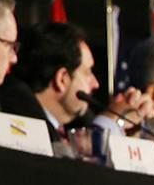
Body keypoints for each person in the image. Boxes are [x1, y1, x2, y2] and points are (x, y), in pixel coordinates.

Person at [5, 21, 98, 151]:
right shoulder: (18, 119)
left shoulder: (78, 124)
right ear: (62, 79)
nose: (95, 84)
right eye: (88, 72)